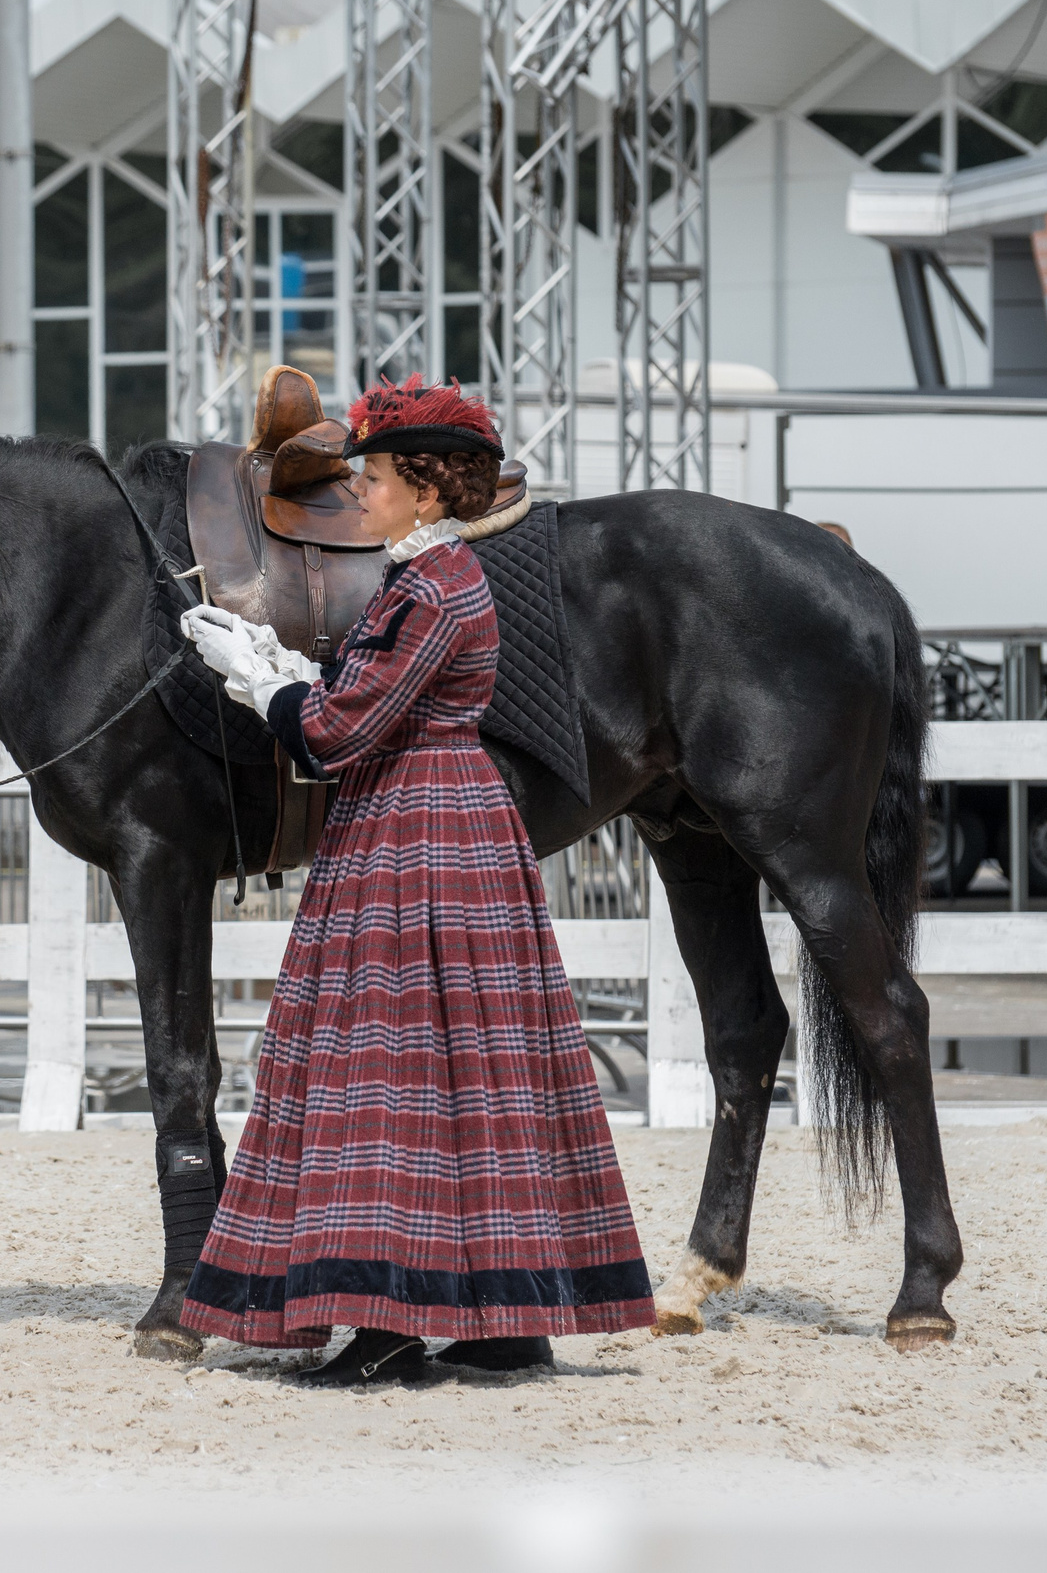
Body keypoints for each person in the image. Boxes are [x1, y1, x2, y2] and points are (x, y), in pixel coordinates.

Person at [176, 376, 655, 1386]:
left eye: (378, 478)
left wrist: (261, 681)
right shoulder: (429, 583)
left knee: (386, 1075)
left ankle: (388, 1325)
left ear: (430, 491)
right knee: (470, 1078)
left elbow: (335, 732)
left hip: (418, 830)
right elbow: (360, 695)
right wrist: (281, 662)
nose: (362, 496)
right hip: (440, 822)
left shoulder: (435, 589)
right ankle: (501, 1316)